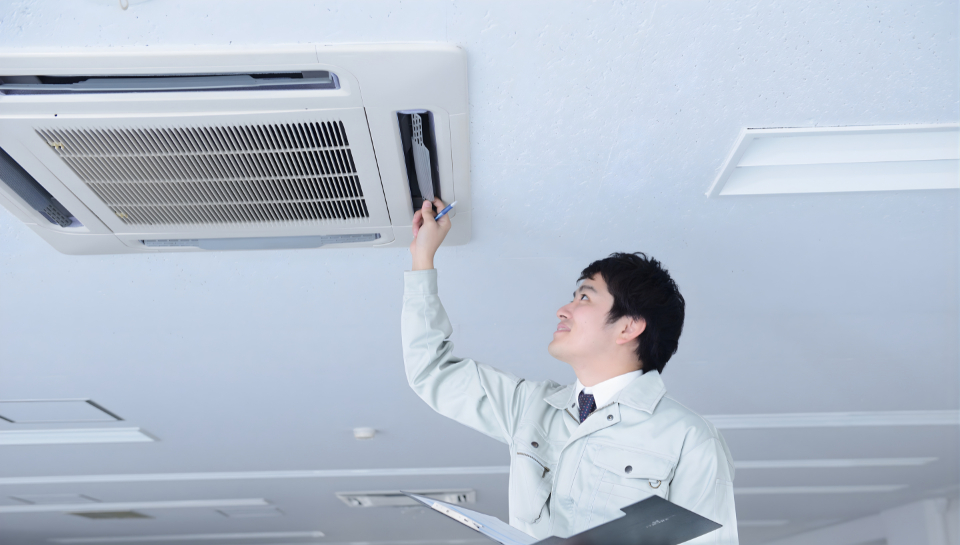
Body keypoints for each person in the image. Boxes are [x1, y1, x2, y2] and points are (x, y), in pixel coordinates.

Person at [401, 199, 739, 544]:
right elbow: (432, 372)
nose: (563, 310)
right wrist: (421, 259)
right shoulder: (530, 407)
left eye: (585, 298)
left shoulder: (689, 438)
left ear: (629, 327)